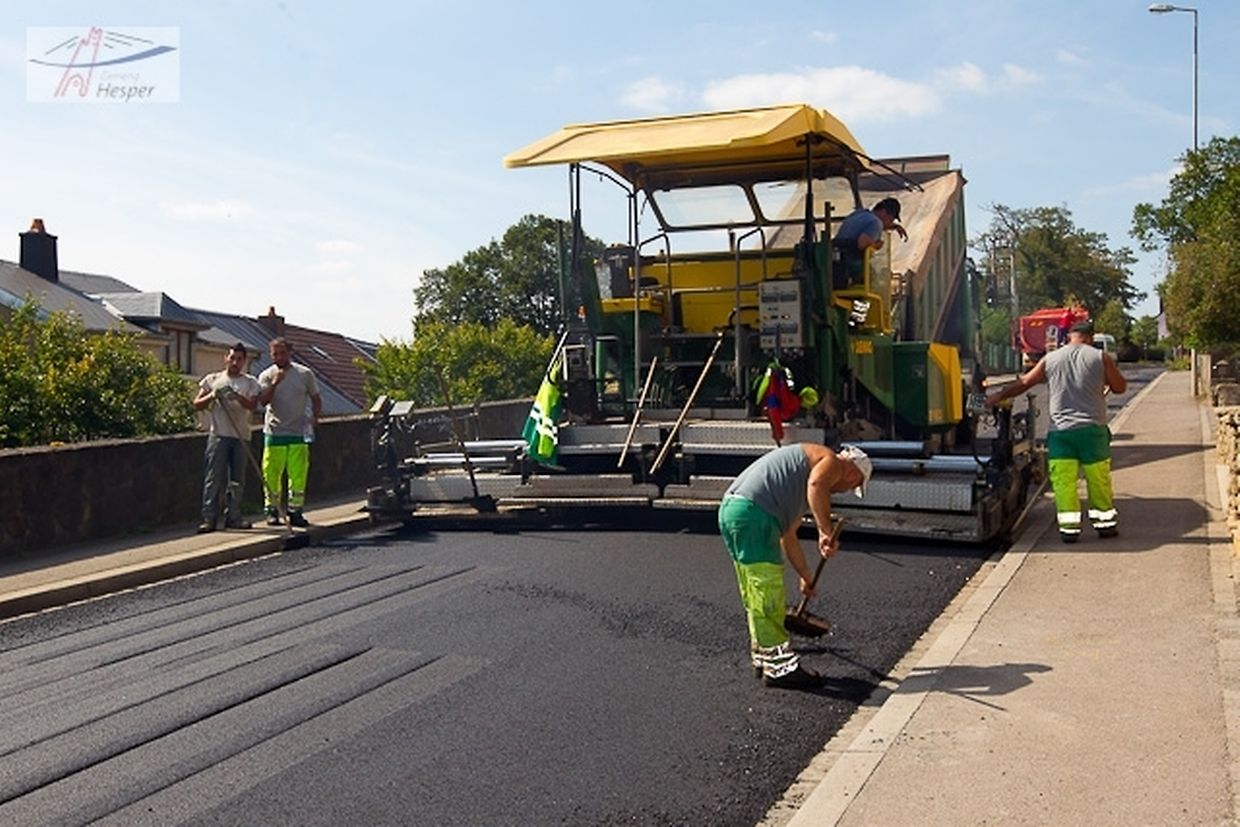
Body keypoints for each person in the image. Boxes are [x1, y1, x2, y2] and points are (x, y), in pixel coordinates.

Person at [718, 443, 872, 689]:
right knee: (767, 592)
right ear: (854, 474)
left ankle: (763, 655)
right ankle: (781, 668)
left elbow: (788, 535)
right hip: (756, 515)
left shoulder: (795, 481)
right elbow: (817, 485)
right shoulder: (830, 461)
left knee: (754, 592)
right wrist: (825, 532)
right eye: (852, 486)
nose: (843, 491)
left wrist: (806, 575)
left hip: (733, 511)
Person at [986, 319, 1126, 542]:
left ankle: (1069, 529)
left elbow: (1024, 382)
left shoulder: (1051, 358)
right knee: (1098, 479)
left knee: (1063, 482)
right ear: (1090, 337)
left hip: (1061, 433)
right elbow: (1120, 388)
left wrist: (998, 396)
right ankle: (1105, 526)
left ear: (1069, 336)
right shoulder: (1100, 357)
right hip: (1093, 432)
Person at [192, 343, 260, 533]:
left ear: (244, 361)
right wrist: (213, 395)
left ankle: (233, 516)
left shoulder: (250, 383)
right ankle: (209, 518)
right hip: (218, 435)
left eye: (239, 359)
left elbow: (252, 405)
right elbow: (197, 404)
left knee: (237, 480)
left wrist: (237, 396)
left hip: (241, 436)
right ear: (226, 359)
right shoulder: (213, 379)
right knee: (213, 478)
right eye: (232, 358)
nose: (235, 362)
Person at [257, 337, 322, 528]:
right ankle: (272, 510)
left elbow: (316, 398)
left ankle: (295, 511)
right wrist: (275, 383)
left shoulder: (304, 374)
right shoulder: (266, 375)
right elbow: (263, 401)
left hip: (298, 432)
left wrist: (315, 417)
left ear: (289, 353)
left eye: (282, 353)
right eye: (275, 354)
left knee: (298, 474)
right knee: (271, 473)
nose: (279, 357)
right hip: (274, 432)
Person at [831, 196, 908, 288]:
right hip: (847, 265)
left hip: (835, 259)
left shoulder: (860, 214)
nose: (890, 222)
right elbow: (862, 243)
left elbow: (873, 226)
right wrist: (876, 246)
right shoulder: (876, 223)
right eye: (891, 219)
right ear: (884, 212)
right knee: (874, 278)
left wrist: (895, 226)